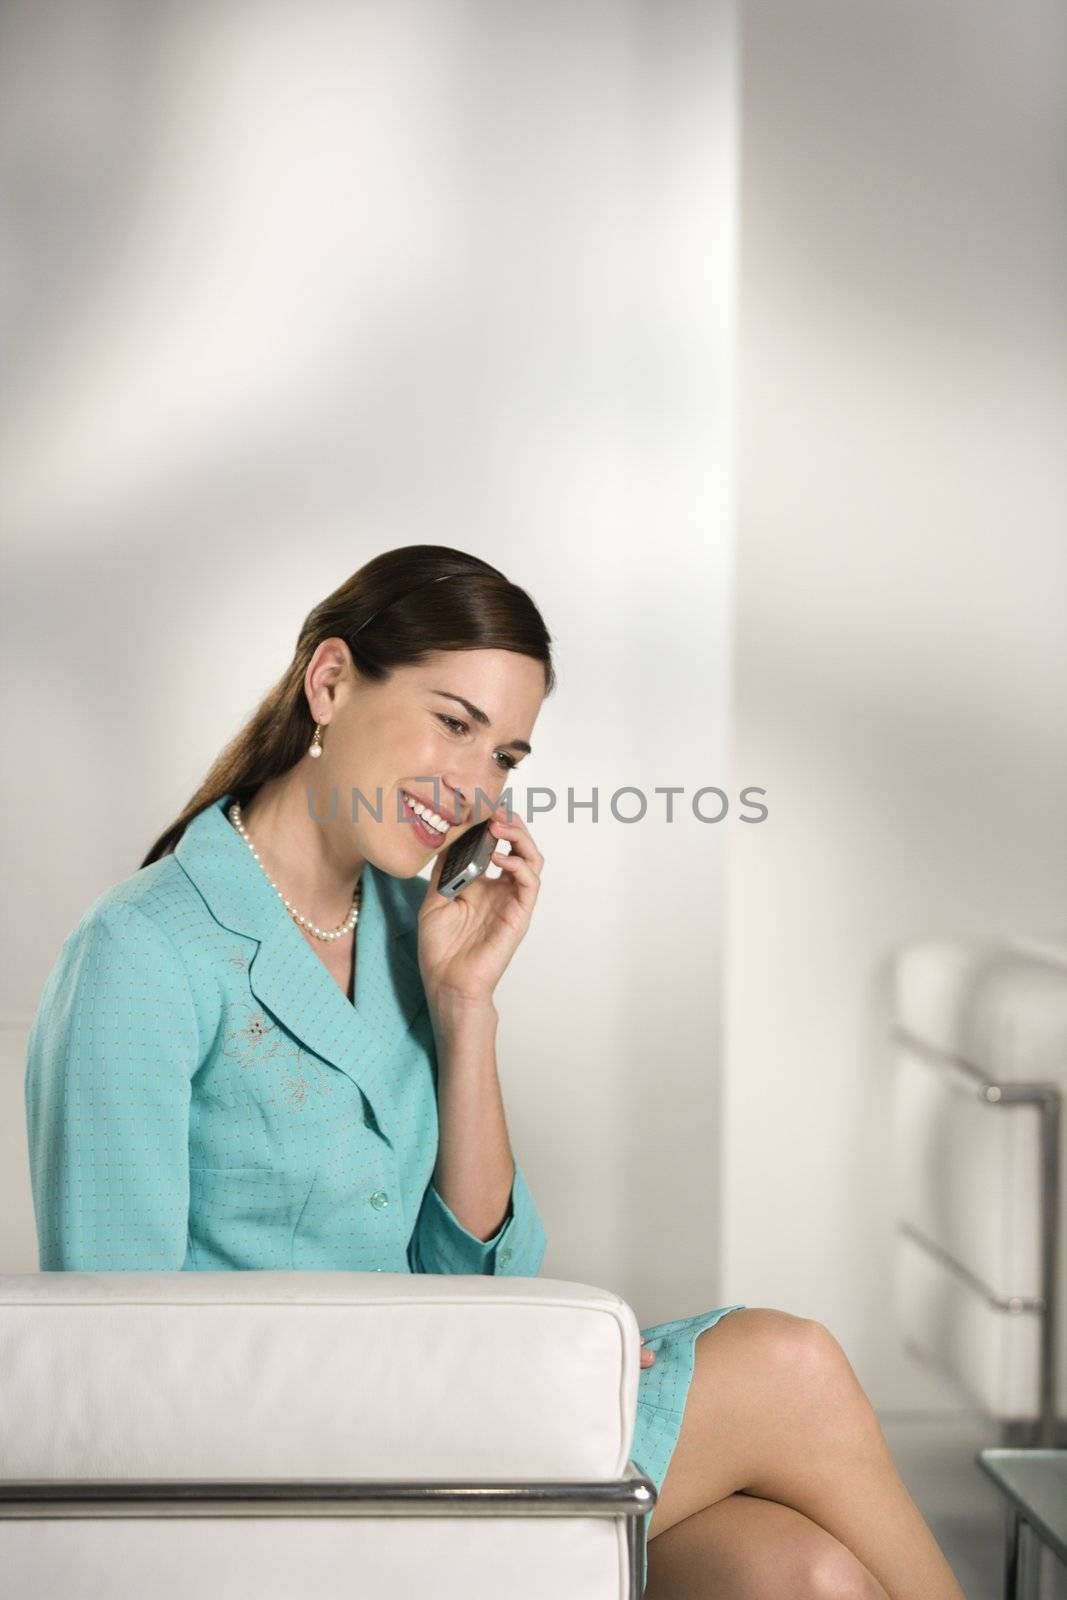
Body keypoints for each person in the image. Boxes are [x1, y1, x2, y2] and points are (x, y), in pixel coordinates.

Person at [24, 544, 964, 1600]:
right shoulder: (143, 954)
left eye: (504, 756)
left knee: (803, 1574)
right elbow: (106, 1362)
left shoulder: (402, 925)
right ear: (329, 683)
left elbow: (478, 1283)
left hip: (442, 1402)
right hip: (288, 1473)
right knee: (787, 1367)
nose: (471, 786)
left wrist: (463, 1006)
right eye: (452, 722)